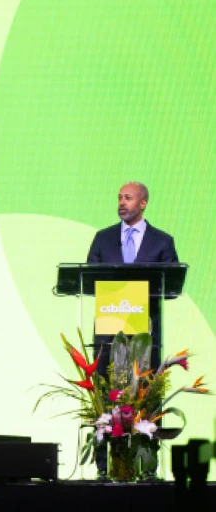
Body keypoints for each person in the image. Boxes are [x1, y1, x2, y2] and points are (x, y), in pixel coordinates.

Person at [86, 181, 178, 480]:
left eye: (128, 198)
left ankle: (148, 469)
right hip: (109, 336)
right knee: (105, 400)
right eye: (119, 198)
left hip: (144, 338)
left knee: (147, 400)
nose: (121, 203)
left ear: (143, 203)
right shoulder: (102, 239)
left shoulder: (163, 242)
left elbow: (172, 288)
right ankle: (104, 468)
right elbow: (88, 283)